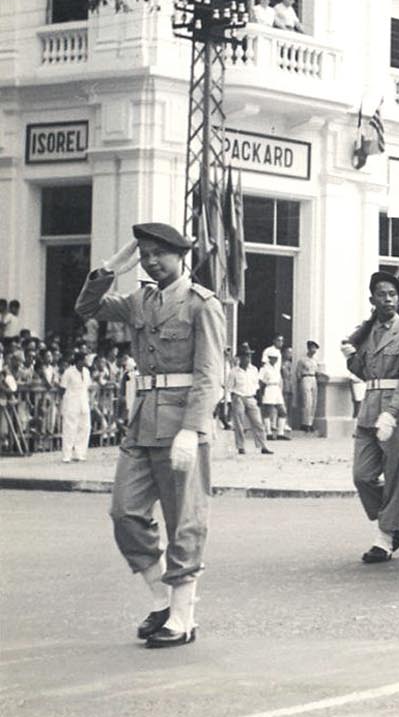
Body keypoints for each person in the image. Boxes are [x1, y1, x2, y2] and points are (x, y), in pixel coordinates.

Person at [75, 222, 225, 649]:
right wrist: (110, 267)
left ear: (181, 256)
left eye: (159, 252)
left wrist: (192, 429)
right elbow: (87, 308)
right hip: (141, 423)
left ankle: (182, 617)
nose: (151, 260)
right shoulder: (140, 300)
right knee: (125, 512)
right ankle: (162, 600)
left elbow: (209, 375)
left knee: (184, 523)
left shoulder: (201, 305)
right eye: (143, 254)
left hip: (181, 424)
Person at [342, 271, 399, 563]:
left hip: (398, 412)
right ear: (372, 299)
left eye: (393, 295)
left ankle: (386, 537)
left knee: (397, 477)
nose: (388, 299)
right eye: (382, 294)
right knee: (362, 476)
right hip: (369, 408)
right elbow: (364, 373)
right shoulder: (367, 331)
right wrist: (351, 356)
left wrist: (392, 413)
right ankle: (395, 517)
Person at [227, 349, 272, 455]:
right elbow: (229, 387)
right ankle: (241, 446)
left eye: (249, 356)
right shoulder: (234, 371)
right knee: (239, 423)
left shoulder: (254, 370)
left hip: (251, 397)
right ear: (240, 358)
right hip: (238, 396)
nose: (247, 359)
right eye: (245, 356)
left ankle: (263, 446)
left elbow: (256, 385)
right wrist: (232, 400)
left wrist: (258, 397)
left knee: (258, 423)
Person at [59, 348, 93, 463]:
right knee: (70, 429)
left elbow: (87, 387)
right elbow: (62, 388)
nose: (87, 361)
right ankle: (66, 455)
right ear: (79, 361)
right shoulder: (69, 372)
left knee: (85, 427)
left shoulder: (87, 372)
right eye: (85, 359)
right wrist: (64, 403)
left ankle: (80, 453)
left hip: (83, 403)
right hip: (71, 403)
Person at [295, 341, 323, 433]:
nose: (314, 350)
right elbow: (298, 373)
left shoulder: (315, 360)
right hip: (305, 378)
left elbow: (317, 371)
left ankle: (310, 423)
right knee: (307, 401)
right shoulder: (302, 360)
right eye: (312, 348)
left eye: (315, 348)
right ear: (308, 348)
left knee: (314, 402)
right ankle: (304, 423)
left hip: (313, 379)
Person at [258, 352, 285, 440]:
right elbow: (260, 381)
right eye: (273, 358)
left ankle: (280, 433)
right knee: (267, 411)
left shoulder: (276, 368)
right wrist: (260, 393)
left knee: (282, 411)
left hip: (276, 389)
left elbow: (280, 380)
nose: (275, 360)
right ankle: (268, 433)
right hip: (269, 388)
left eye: (276, 358)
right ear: (269, 358)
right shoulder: (264, 368)